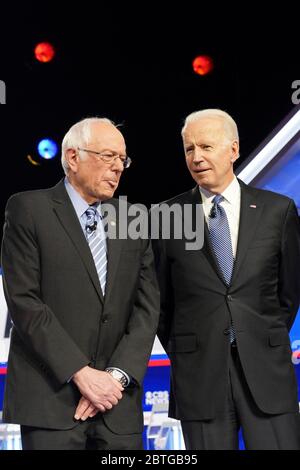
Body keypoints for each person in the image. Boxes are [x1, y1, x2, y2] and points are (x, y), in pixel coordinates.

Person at [1, 117, 159, 450]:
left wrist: (114, 377)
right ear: (73, 157)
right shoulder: (28, 209)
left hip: (117, 405)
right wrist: (81, 374)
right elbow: (25, 302)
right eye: (108, 156)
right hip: (51, 401)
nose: (118, 167)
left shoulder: (134, 218)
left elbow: (147, 308)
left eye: (122, 159)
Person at [153, 109, 300, 450]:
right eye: (189, 149)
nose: (196, 157)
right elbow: (160, 303)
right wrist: (189, 347)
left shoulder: (278, 211)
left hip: (267, 373)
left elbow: (289, 293)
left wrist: (261, 335)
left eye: (205, 146)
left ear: (233, 150)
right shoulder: (165, 217)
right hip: (199, 378)